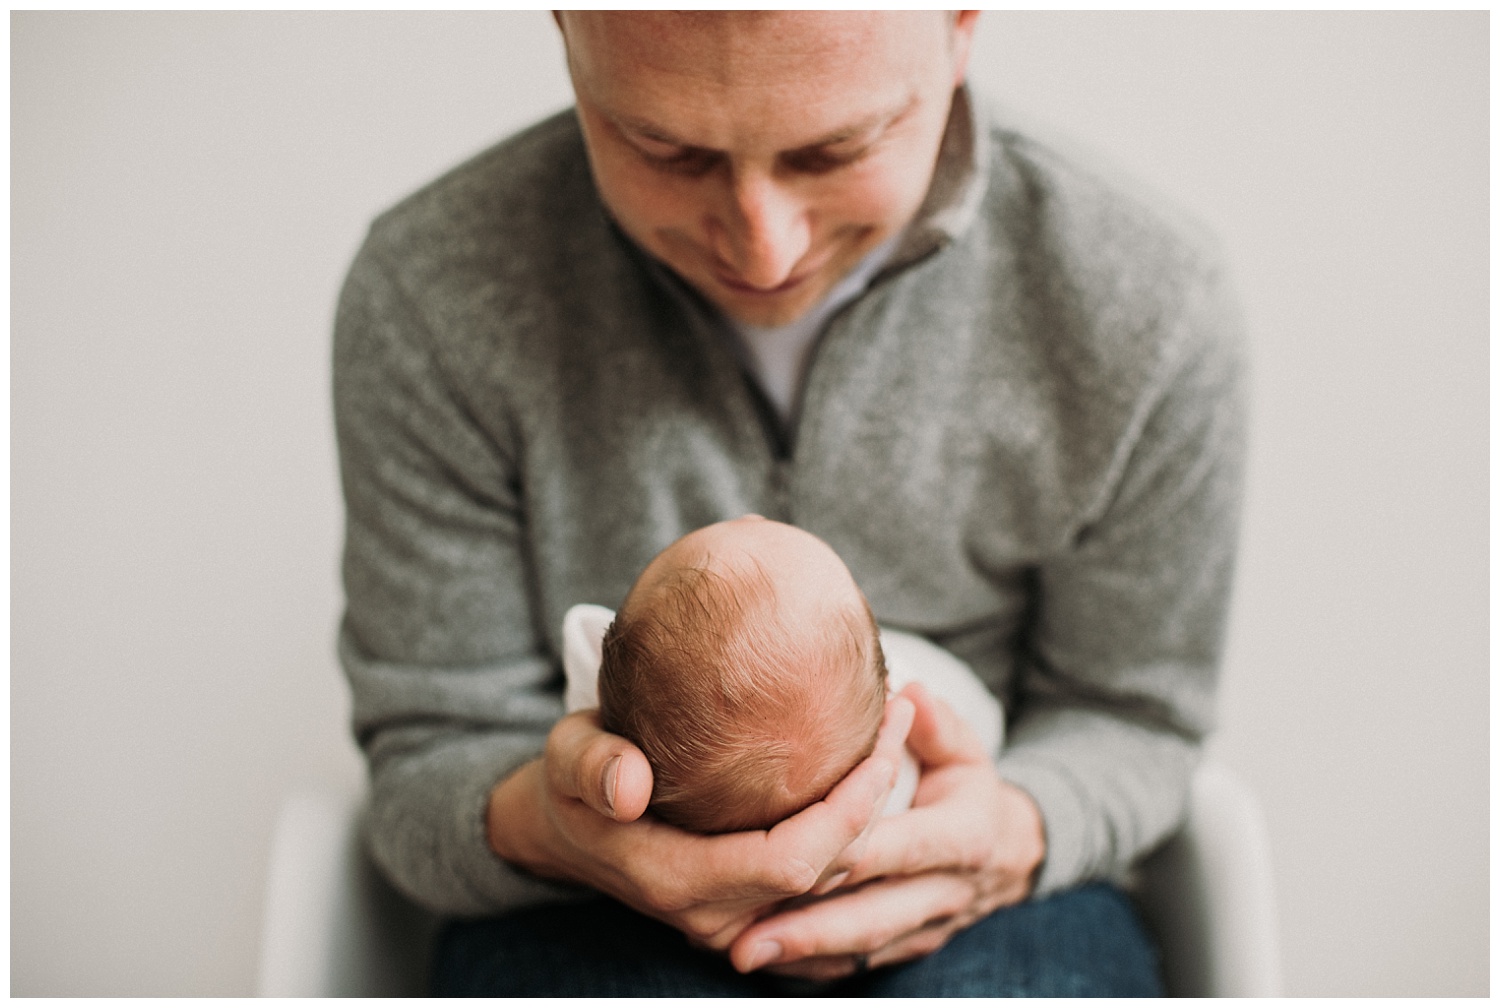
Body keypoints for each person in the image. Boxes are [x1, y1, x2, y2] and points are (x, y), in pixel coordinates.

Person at [333, 10, 1245, 996]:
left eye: (836, 149)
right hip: (582, 912)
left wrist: (1010, 835)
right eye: (665, 149)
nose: (764, 252)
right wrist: (550, 827)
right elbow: (428, 760)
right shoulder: (433, 298)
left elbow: (1133, 717)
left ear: (961, 28)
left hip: (1002, 900)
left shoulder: (1146, 309)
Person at [560, 515, 1004, 833]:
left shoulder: (602, 682)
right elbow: (982, 717)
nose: (749, 514)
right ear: (885, 686)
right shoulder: (905, 732)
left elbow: (582, 632)